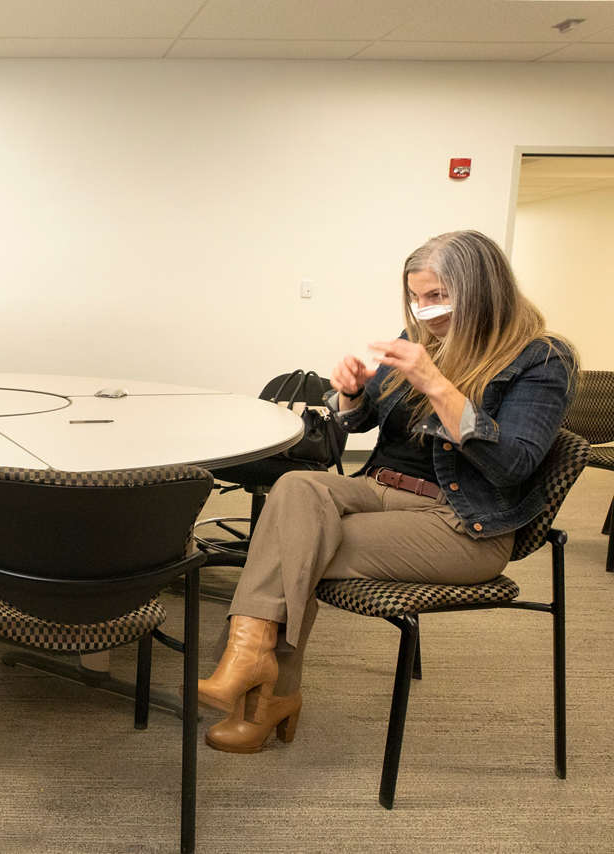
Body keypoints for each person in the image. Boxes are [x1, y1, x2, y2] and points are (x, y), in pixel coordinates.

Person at [197, 230, 577, 754]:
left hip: (462, 526)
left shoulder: (543, 360)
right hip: (380, 492)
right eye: (417, 298)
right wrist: (350, 393)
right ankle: (256, 659)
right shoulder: (424, 340)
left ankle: (259, 692)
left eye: (438, 296)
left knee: (295, 540)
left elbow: (513, 463)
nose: (425, 312)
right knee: (297, 490)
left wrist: (438, 386)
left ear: (484, 288)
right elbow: (362, 420)